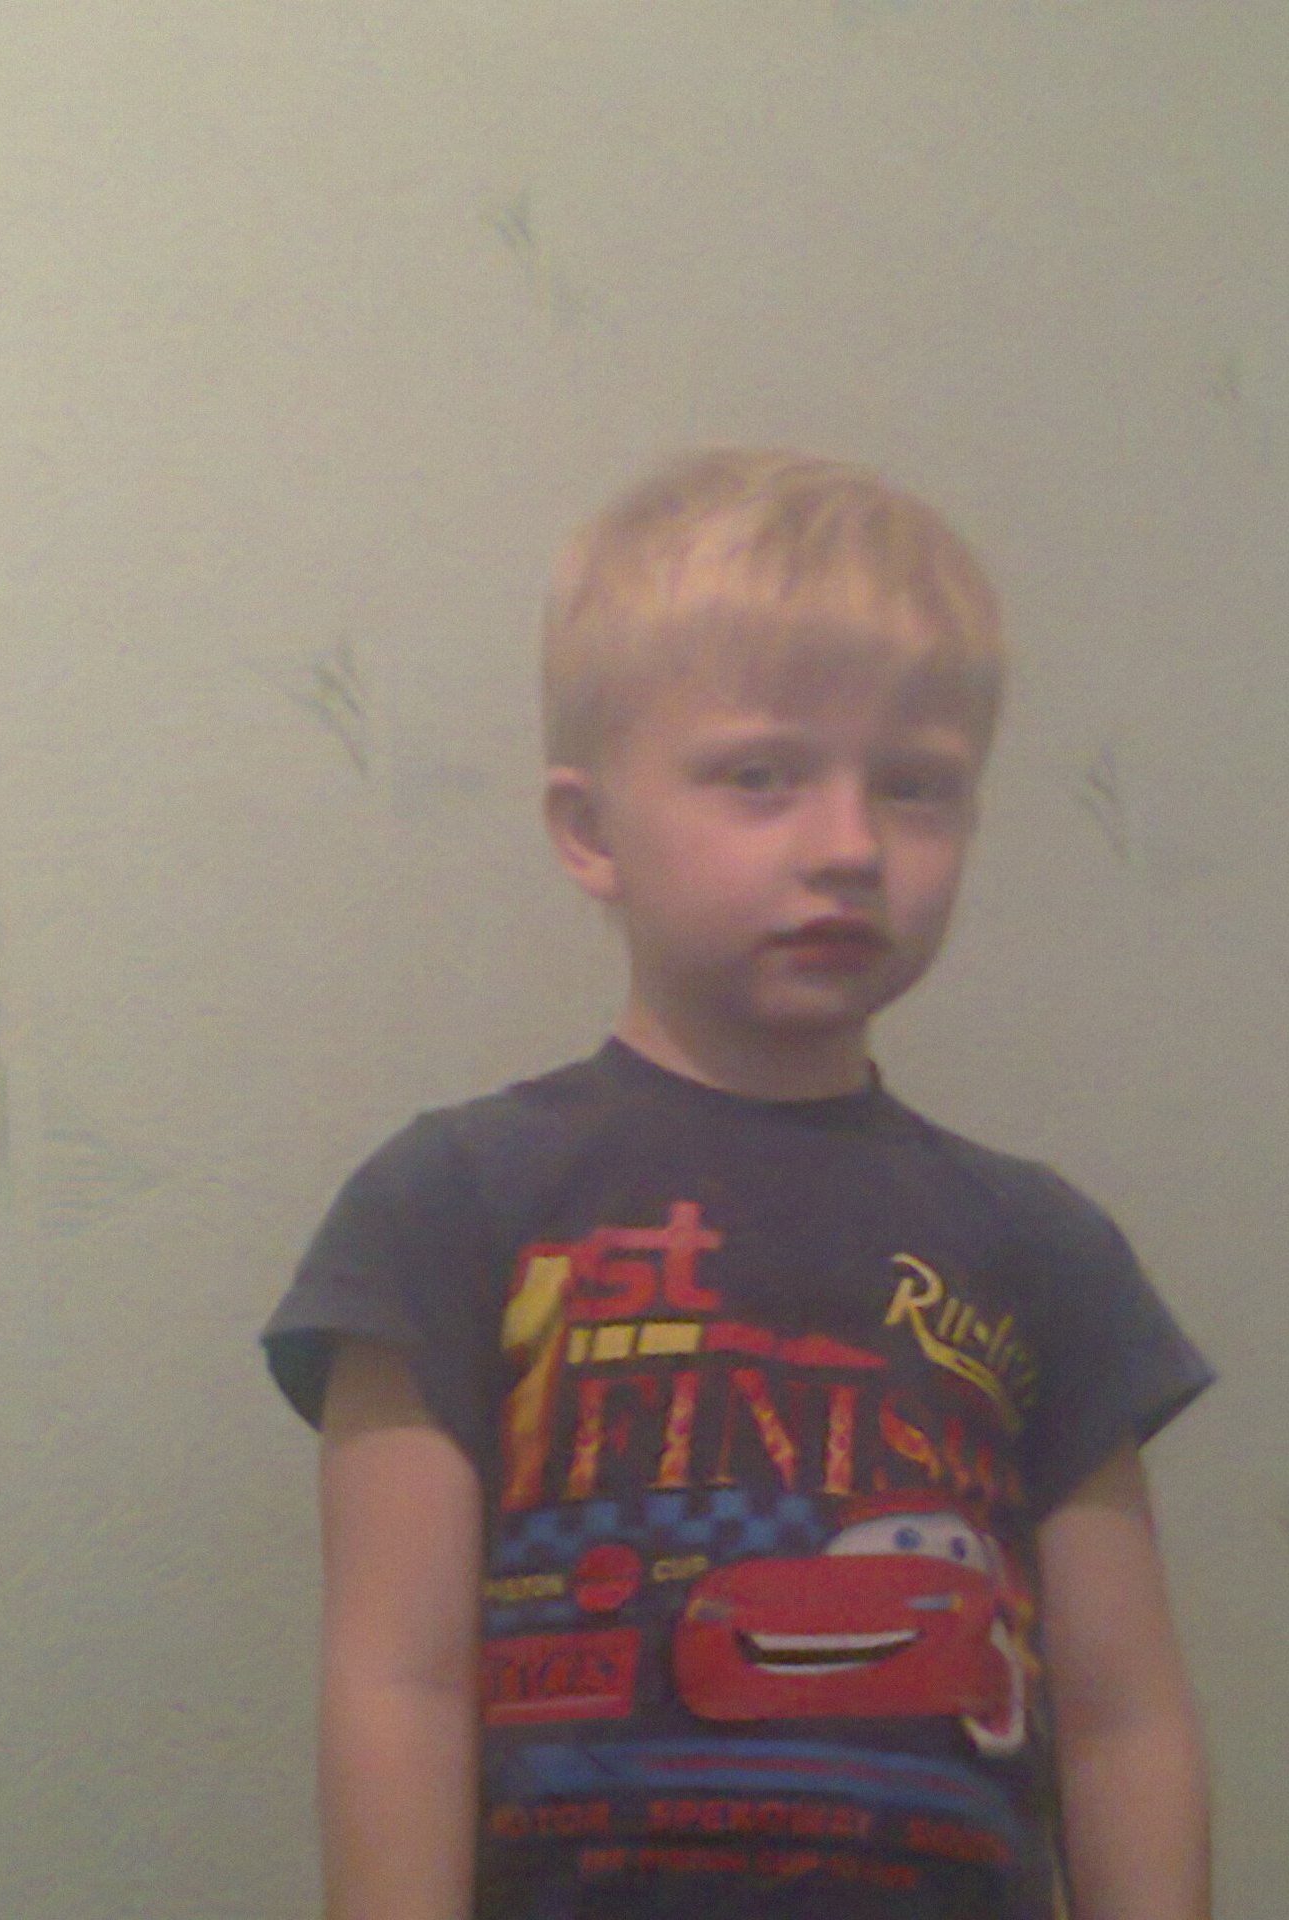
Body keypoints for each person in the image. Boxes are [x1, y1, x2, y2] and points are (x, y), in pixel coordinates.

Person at [262, 448, 1215, 1920]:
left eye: (915, 788)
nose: (851, 847)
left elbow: (1121, 1724)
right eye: (762, 776)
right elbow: (400, 1683)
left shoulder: (1047, 1251)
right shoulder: (445, 1205)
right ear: (591, 832)